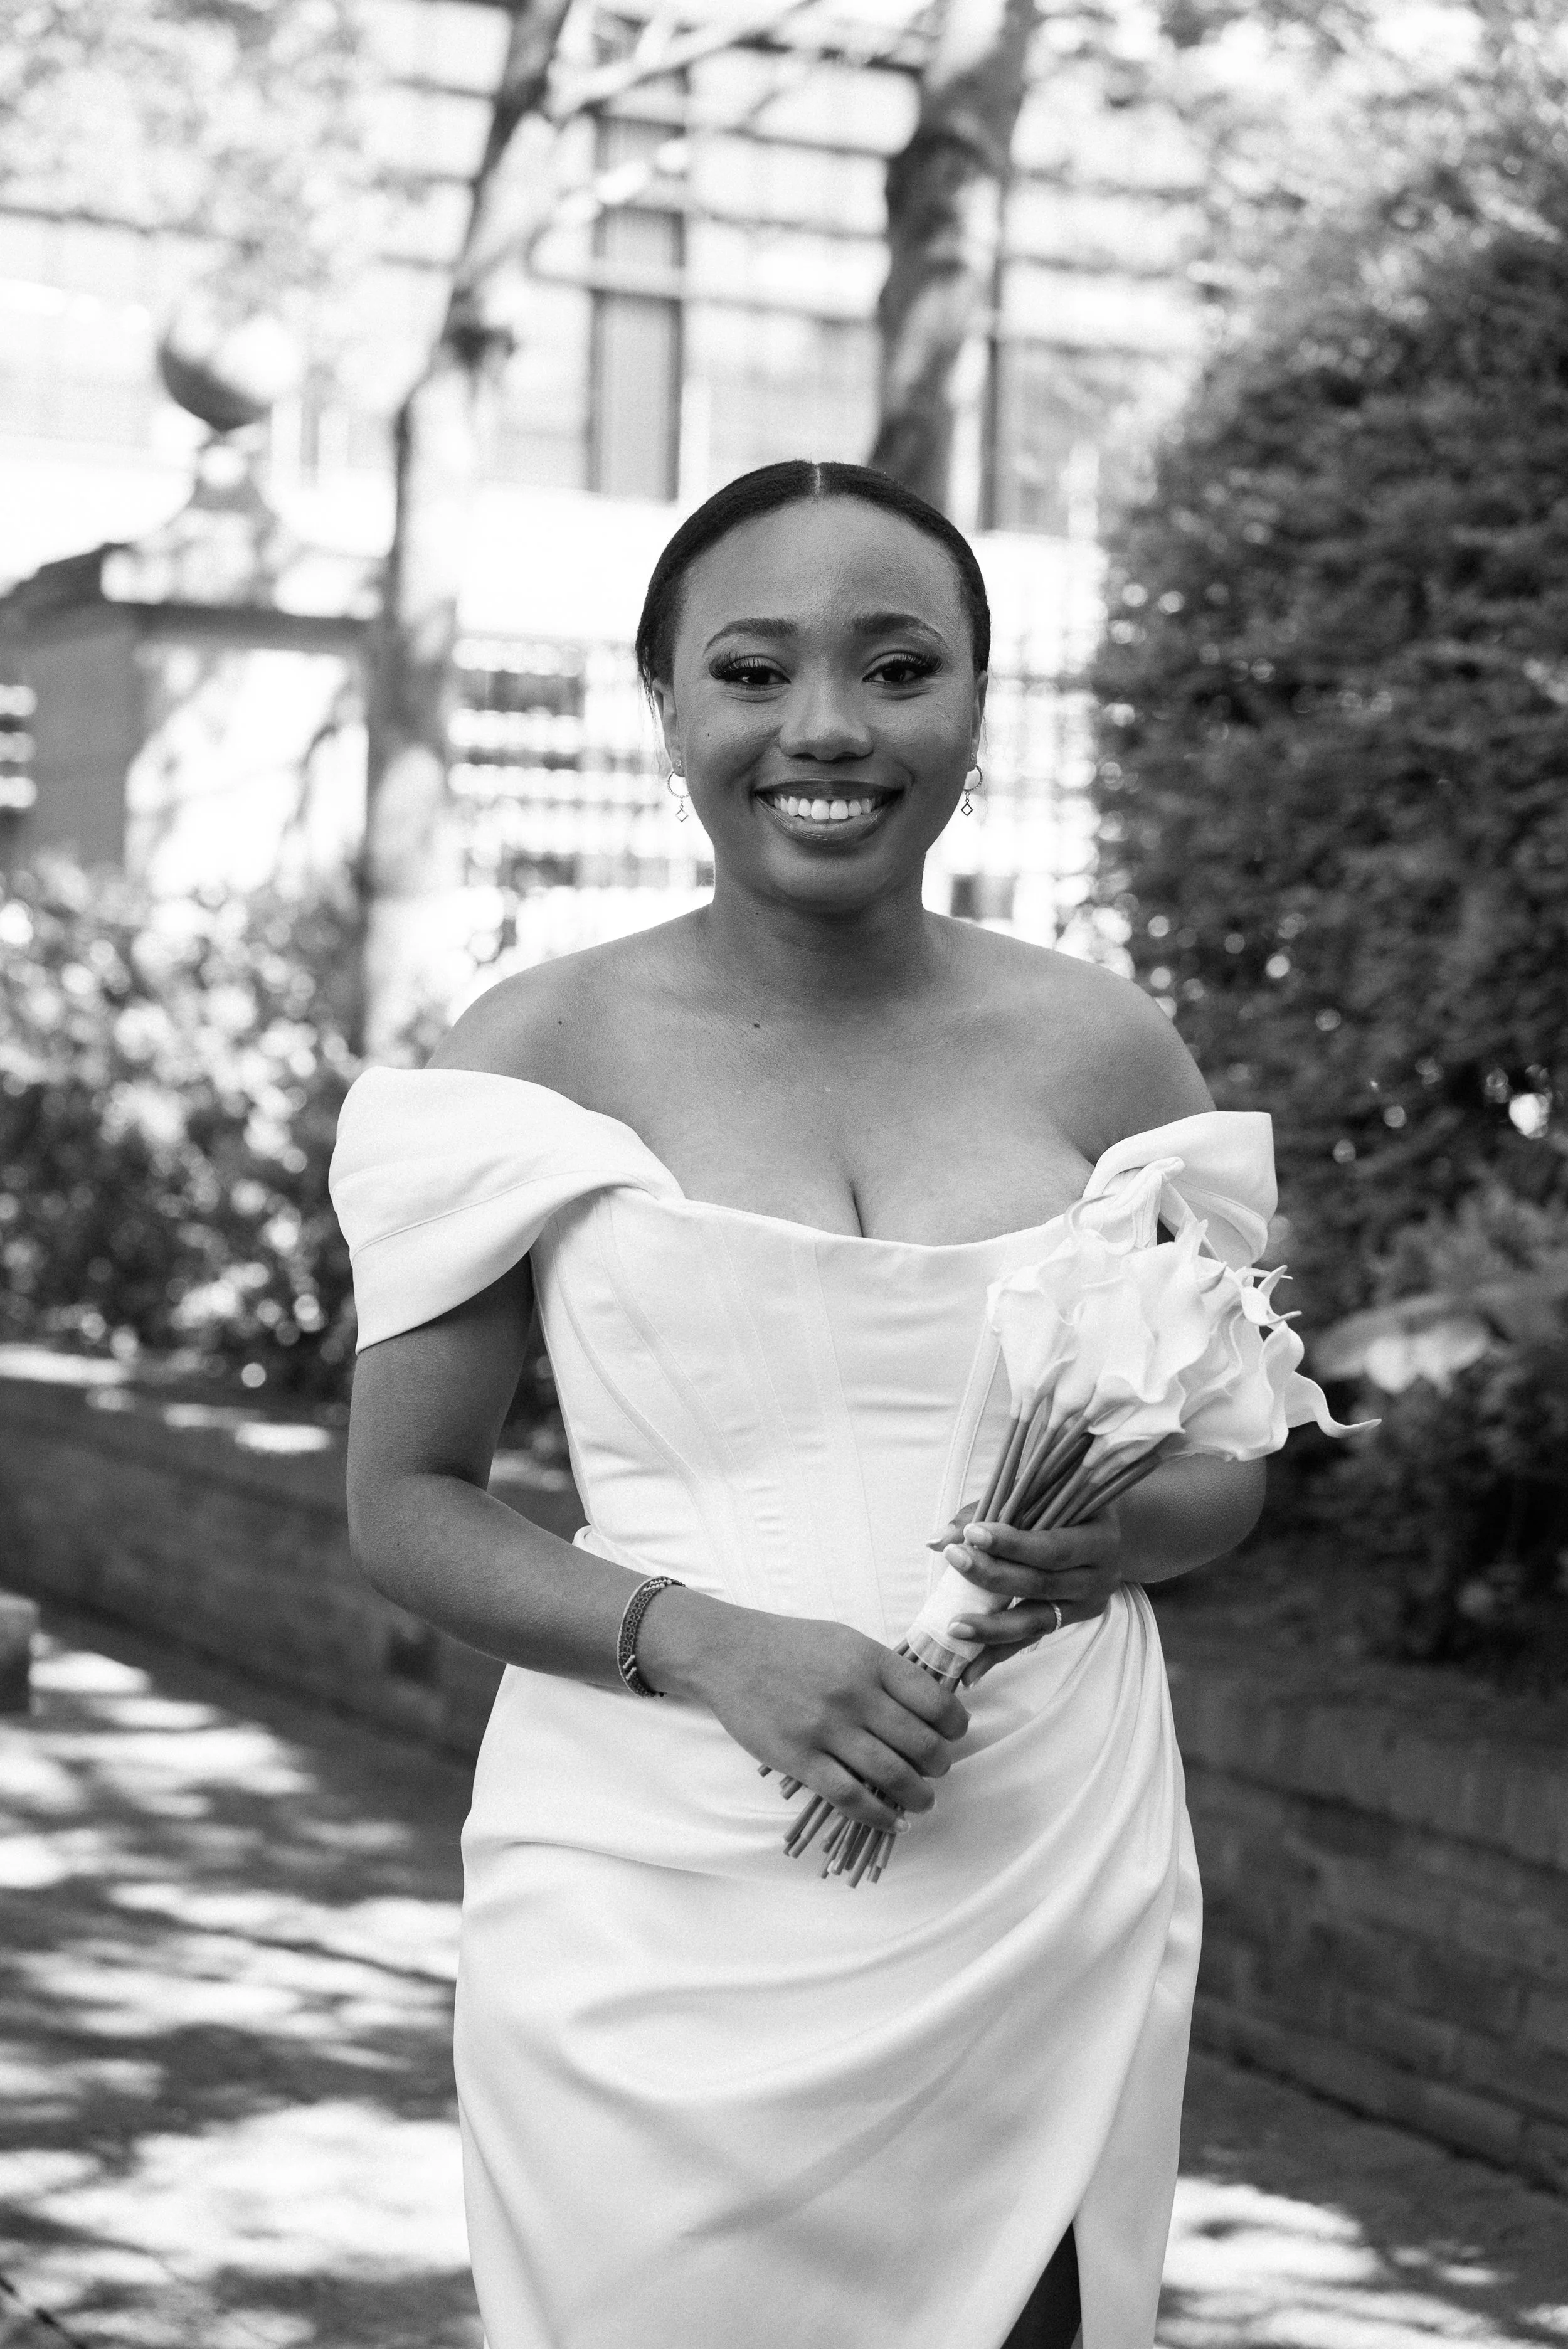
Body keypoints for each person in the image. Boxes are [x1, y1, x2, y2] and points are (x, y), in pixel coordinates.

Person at [330, 459, 1269, 2349]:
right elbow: (405, 1501)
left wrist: (1106, 1538)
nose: (825, 727)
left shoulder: (1106, 1046)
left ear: (974, 708)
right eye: (752, 672)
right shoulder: (531, 1052)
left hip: (1036, 1847)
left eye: (896, 666)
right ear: (663, 703)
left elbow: (1222, 1473)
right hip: (647, 1870)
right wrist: (702, 1645)